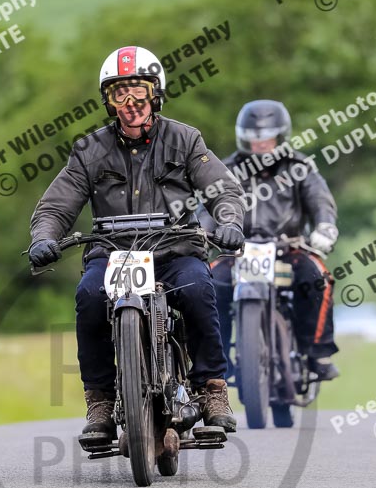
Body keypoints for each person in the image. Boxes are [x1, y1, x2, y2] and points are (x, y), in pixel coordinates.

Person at [28, 46, 245, 441]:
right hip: (112, 256)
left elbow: (223, 190)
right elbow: (55, 206)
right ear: (108, 101)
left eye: (139, 92)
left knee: (199, 288)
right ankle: (100, 400)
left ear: (156, 94)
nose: (130, 104)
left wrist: (229, 221)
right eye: (119, 94)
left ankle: (212, 389)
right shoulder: (88, 150)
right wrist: (44, 238)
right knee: (89, 297)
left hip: (175, 252)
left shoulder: (186, 139)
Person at [211, 99, 340, 382]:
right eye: (254, 138)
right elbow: (209, 205)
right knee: (207, 283)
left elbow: (320, 201)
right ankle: (214, 358)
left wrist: (325, 226)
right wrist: (203, 230)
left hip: (288, 248)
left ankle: (317, 353)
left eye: (267, 137)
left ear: (280, 136)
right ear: (243, 137)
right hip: (238, 251)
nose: (261, 144)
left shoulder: (300, 166)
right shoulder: (227, 168)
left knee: (318, 276)